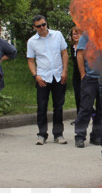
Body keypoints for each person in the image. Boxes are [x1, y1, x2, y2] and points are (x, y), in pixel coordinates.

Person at [26, 15, 69, 145]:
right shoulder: (32, 41)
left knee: (58, 106)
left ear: (46, 23)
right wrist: (36, 75)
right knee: (42, 106)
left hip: (58, 75)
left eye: (44, 24)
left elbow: (64, 53)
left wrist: (65, 71)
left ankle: (58, 134)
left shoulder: (57, 35)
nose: (42, 28)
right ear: (34, 27)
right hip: (43, 77)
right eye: (38, 26)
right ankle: (42, 134)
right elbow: (31, 60)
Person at [73, 31, 102, 148]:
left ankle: (96, 136)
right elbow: (80, 54)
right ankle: (80, 136)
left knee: (101, 109)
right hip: (90, 78)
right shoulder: (87, 35)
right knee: (86, 108)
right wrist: (83, 74)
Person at [69, 27, 83, 116]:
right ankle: (79, 116)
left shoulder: (85, 47)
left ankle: (92, 114)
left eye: (78, 33)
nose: (76, 36)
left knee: (84, 97)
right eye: (74, 34)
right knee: (77, 96)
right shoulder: (72, 47)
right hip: (76, 75)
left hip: (84, 74)